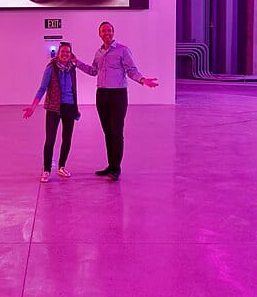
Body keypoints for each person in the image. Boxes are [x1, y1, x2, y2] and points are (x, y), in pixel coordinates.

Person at [75, 22, 158, 181]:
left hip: (118, 95)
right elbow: (93, 71)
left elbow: (131, 70)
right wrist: (76, 62)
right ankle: (110, 165)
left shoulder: (122, 50)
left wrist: (142, 80)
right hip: (102, 94)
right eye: (104, 30)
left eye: (110, 30)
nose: (107, 33)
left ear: (113, 32)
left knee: (117, 132)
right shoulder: (98, 53)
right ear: (99, 34)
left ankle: (116, 168)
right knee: (107, 132)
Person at [23, 42, 81, 183]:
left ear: (70, 54)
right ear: (58, 53)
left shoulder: (72, 68)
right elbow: (42, 88)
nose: (65, 54)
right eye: (63, 52)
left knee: (67, 139)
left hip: (69, 107)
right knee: (50, 140)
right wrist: (33, 106)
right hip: (53, 108)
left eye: (68, 52)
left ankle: (61, 166)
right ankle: (47, 169)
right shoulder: (50, 68)